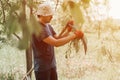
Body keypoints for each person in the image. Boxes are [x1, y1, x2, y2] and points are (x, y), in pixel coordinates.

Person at [32, 3, 84, 80]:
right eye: (49, 15)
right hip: (42, 68)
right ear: (42, 15)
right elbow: (56, 43)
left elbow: (57, 37)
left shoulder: (48, 26)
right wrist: (74, 35)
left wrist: (66, 29)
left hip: (51, 65)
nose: (52, 16)